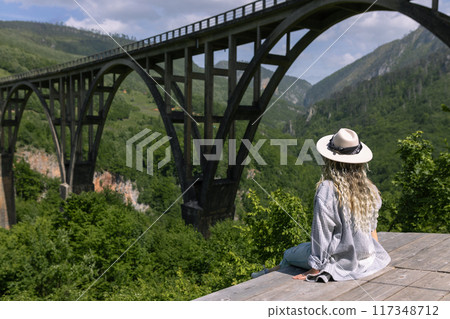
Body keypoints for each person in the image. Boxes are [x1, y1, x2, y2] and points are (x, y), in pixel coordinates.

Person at [251, 128, 391, 282]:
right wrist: (373, 255)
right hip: (367, 258)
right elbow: (372, 228)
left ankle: (262, 277)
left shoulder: (328, 189)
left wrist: (315, 269)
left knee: (289, 254)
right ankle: (264, 273)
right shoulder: (369, 189)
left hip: (339, 260)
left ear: (330, 160)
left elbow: (322, 233)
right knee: (302, 248)